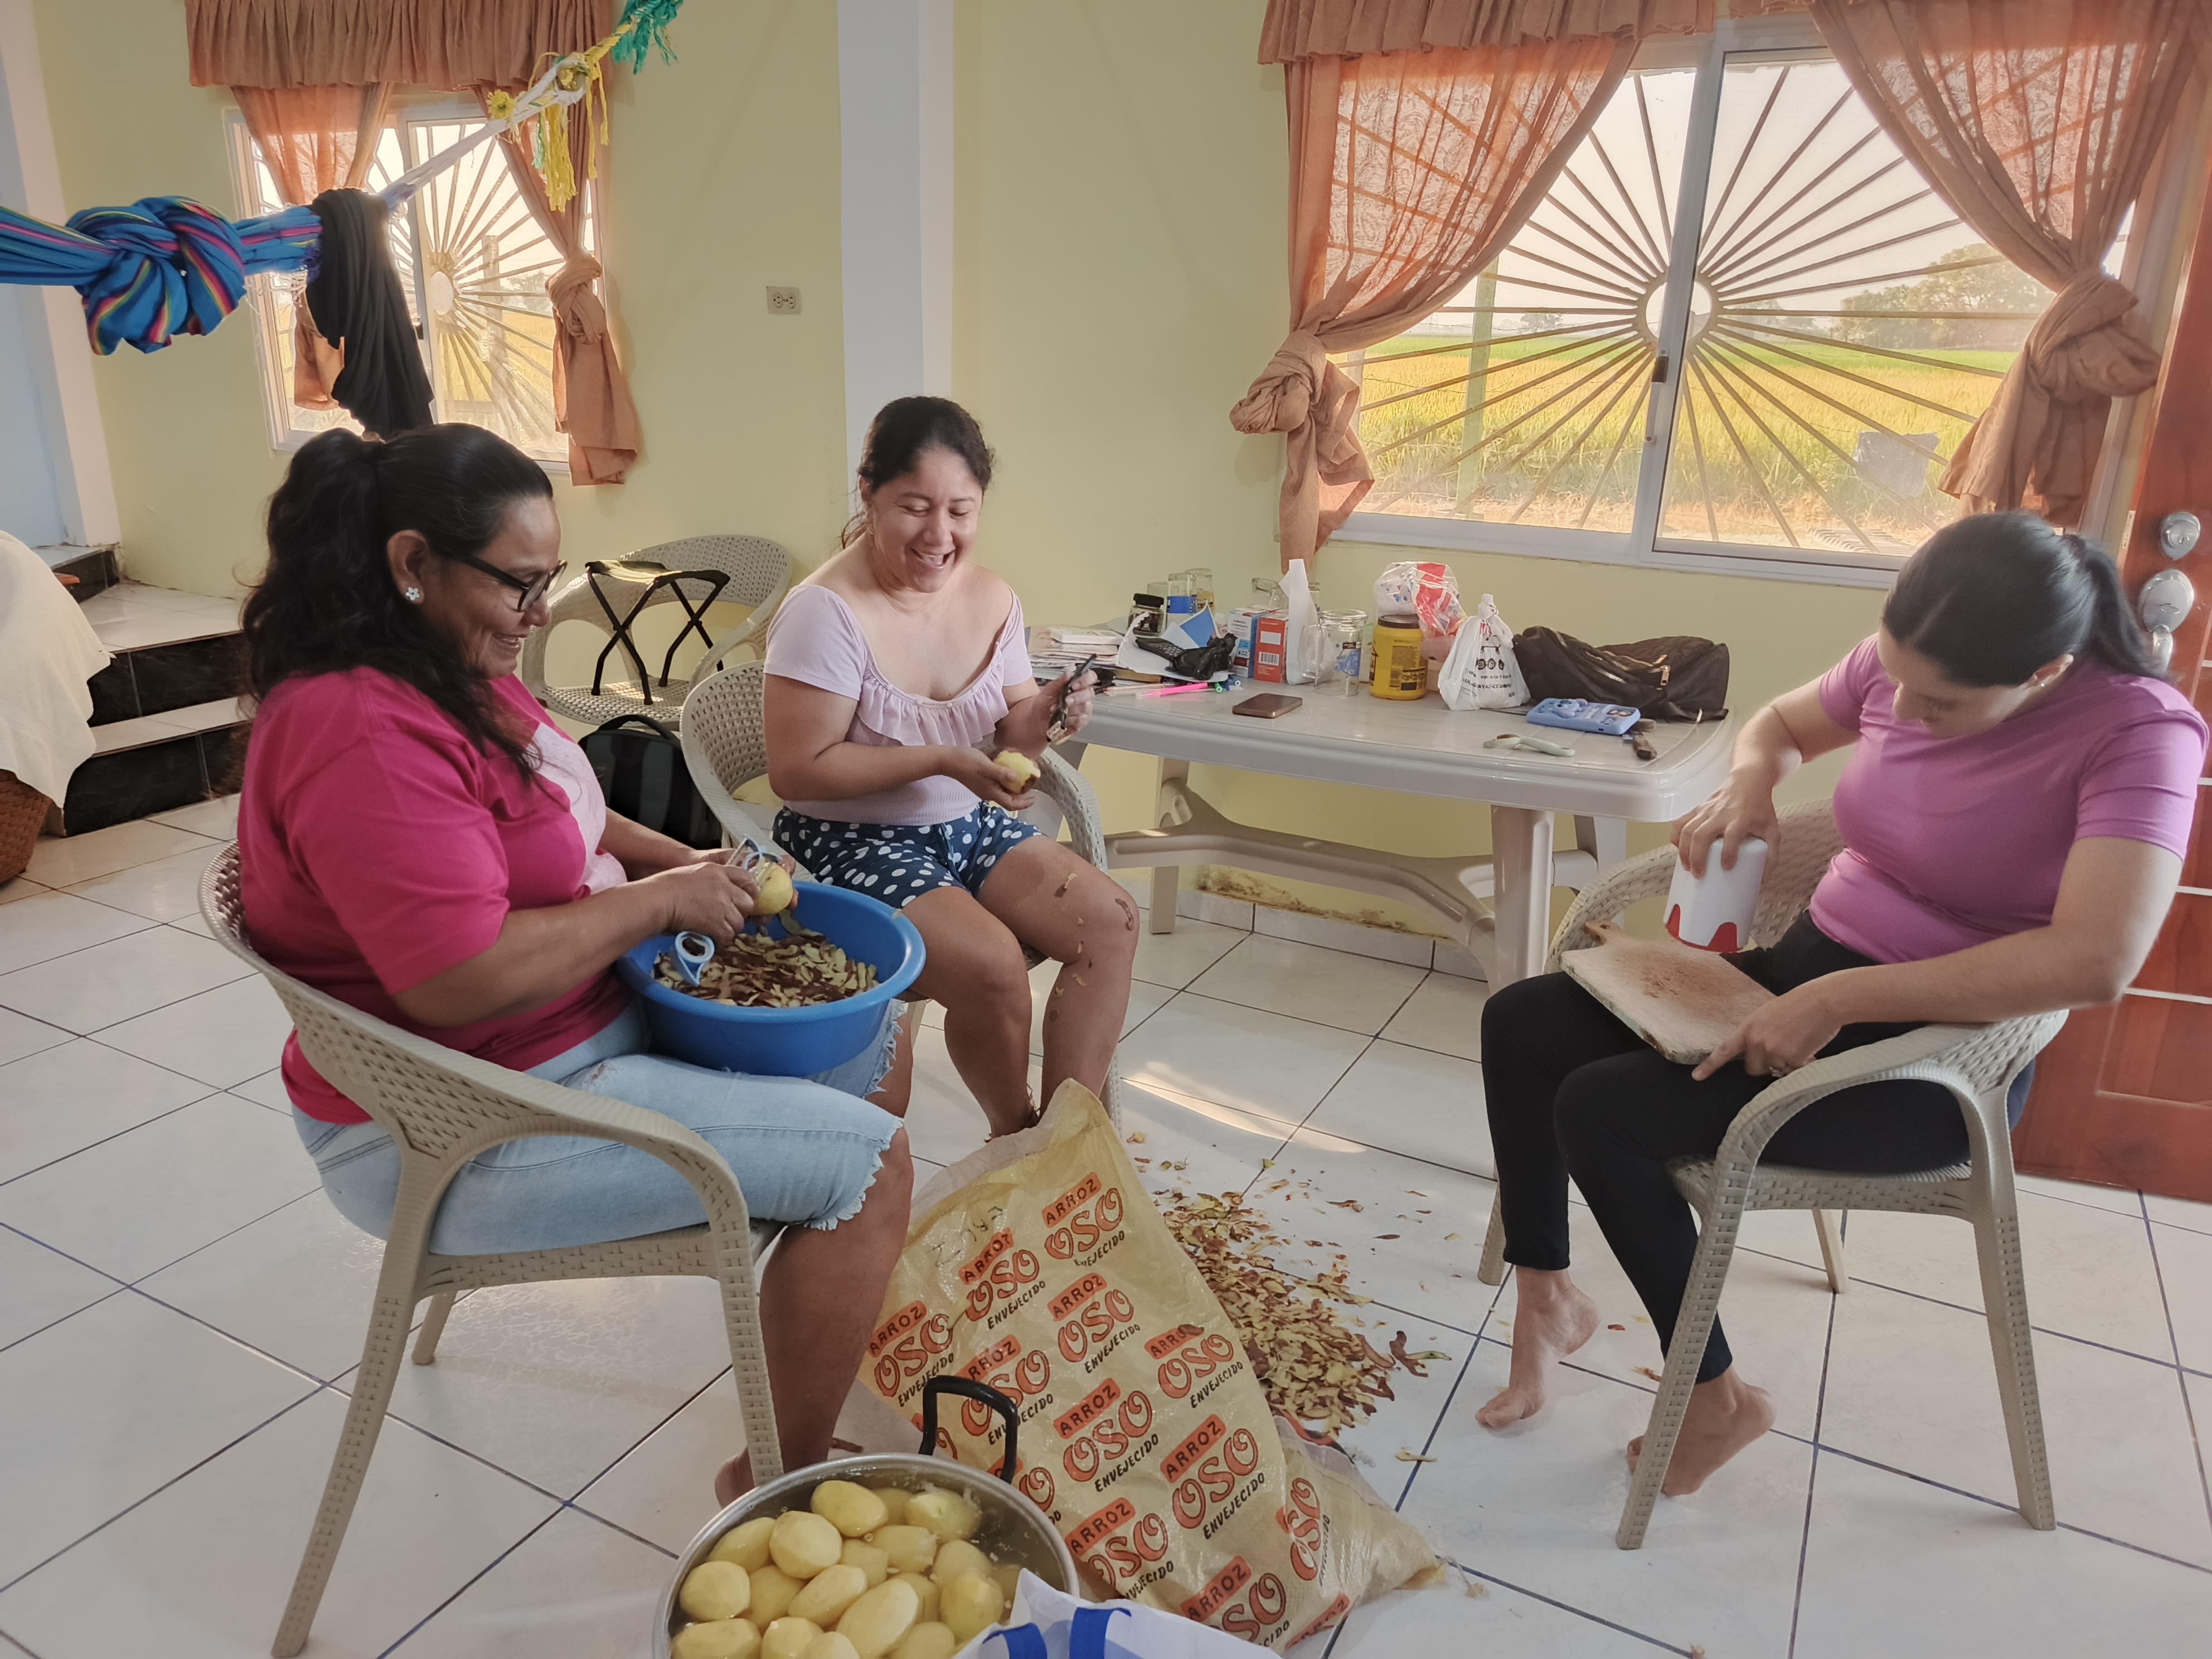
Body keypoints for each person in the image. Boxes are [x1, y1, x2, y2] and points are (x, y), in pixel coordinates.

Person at [236, 424, 913, 1499]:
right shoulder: (361, 730)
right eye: (519, 584)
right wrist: (657, 903)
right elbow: (455, 978)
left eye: (548, 580)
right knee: (873, 1167)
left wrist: (687, 861)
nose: (541, 614)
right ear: (413, 564)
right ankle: (774, 1479)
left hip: (553, 1032)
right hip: (455, 1122)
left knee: (879, 1033)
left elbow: (567, 810)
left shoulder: (453, 665)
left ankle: (821, 1290)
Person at [1477, 511, 2206, 1495]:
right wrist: (1751, 787)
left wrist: (1844, 998)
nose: (1900, 707)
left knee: (1602, 1109)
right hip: (1803, 975)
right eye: (1895, 677)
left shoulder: (2140, 735)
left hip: (1929, 1062)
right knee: (1522, 1021)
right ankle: (1548, 1294)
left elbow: (2098, 959)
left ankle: (1717, 1400)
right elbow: (1780, 727)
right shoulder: (1910, 665)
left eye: (1938, 703)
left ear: (2043, 674)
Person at [763, 396, 1136, 1137]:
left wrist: (1048, 715)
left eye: (960, 511)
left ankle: (1069, 1143)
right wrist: (941, 760)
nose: (940, 535)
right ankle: (1019, 1138)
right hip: (848, 843)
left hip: (963, 827)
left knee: (1111, 922)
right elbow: (797, 771)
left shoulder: (992, 597)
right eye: (914, 508)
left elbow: (1013, 733)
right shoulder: (824, 612)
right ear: (869, 495)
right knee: (993, 965)